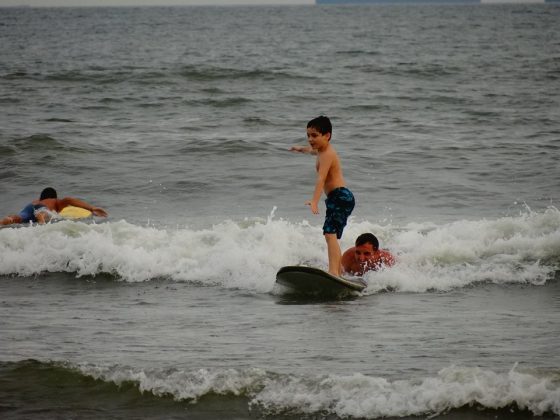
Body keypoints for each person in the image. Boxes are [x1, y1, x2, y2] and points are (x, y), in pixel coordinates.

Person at [291, 116, 355, 276]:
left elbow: (321, 178)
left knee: (329, 234)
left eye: (314, 135)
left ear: (327, 135)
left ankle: (334, 272)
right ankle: (337, 271)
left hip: (340, 196)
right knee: (330, 235)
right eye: (308, 135)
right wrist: (300, 149)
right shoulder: (321, 151)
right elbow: (312, 151)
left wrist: (314, 201)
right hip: (339, 197)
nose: (310, 139)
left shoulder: (327, 154)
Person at [0, 187, 108, 225]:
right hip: (41, 209)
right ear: (54, 197)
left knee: (14, 218)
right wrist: (91, 208)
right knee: (42, 213)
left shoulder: (35, 201)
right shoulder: (55, 201)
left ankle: (4, 221)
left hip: (28, 208)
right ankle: (41, 219)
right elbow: (69, 200)